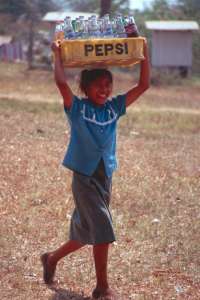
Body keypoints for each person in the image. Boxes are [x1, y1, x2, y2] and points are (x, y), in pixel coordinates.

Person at [41, 38, 150, 300]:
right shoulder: (77, 109)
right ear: (85, 88)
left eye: (107, 85)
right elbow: (60, 83)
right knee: (103, 228)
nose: (104, 89)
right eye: (98, 85)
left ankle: (50, 258)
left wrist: (145, 53)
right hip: (84, 177)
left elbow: (144, 85)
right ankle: (102, 288)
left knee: (85, 234)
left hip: (105, 177)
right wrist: (57, 55)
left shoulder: (114, 108)